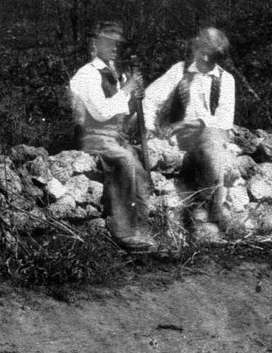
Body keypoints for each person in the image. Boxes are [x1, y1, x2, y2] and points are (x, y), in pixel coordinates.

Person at [68, 21, 155, 251]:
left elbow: (125, 119)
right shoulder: (87, 74)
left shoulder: (117, 75)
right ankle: (124, 233)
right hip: (94, 137)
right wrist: (127, 90)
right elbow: (101, 112)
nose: (115, 47)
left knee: (140, 171)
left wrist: (137, 99)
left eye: (118, 44)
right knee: (125, 163)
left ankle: (142, 231)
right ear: (95, 44)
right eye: (109, 42)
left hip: (116, 137)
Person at [143, 27, 237, 228]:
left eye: (212, 55)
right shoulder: (179, 70)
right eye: (203, 51)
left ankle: (207, 210)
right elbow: (149, 97)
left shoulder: (226, 80)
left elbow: (223, 121)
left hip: (212, 137)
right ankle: (202, 213)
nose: (205, 58)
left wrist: (188, 122)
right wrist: (149, 128)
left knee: (211, 146)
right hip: (181, 138)